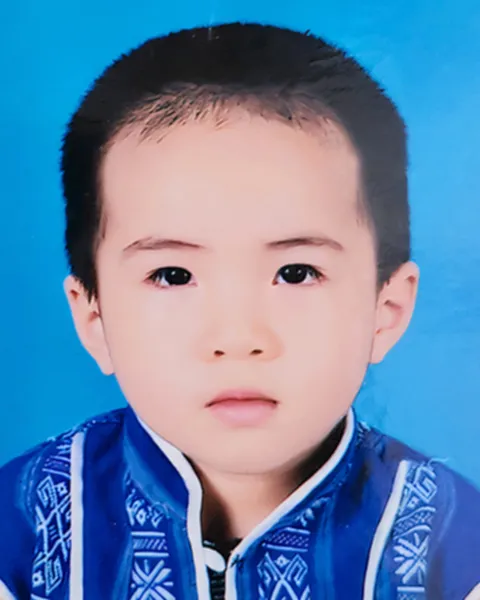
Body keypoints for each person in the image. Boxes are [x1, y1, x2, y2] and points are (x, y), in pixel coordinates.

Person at [0, 22, 479, 600]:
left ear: (388, 308)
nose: (237, 337)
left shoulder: (456, 548)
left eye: (296, 273)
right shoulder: (20, 531)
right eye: (173, 275)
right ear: (93, 319)